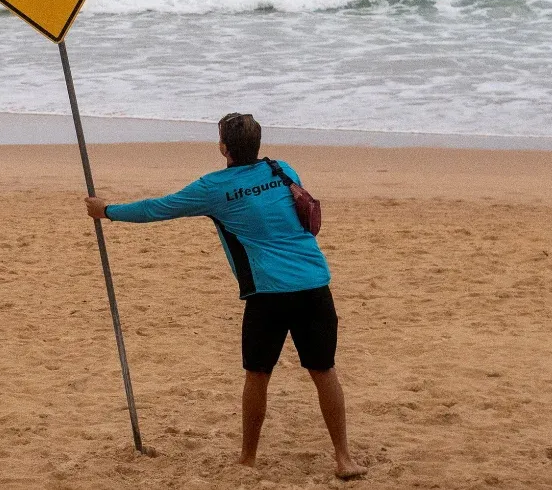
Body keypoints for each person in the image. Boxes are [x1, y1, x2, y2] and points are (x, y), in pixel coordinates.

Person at [84, 112, 366, 479]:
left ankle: (248, 459)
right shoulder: (283, 171)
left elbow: (160, 208)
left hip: (269, 293)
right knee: (323, 371)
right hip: (314, 282)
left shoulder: (213, 189)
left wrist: (107, 211)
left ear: (223, 147)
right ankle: (344, 458)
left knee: (257, 373)